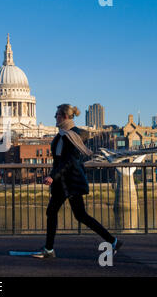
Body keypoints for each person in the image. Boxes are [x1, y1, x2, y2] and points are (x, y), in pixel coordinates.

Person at [33, 104, 123, 258]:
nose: (55, 117)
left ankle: (49, 250)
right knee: (64, 213)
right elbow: (60, 161)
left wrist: (52, 176)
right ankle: (49, 249)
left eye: (57, 115)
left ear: (65, 117)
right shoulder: (63, 135)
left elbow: (68, 161)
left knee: (77, 215)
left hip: (70, 182)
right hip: (62, 182)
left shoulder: (72, 136)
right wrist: (54, 176)